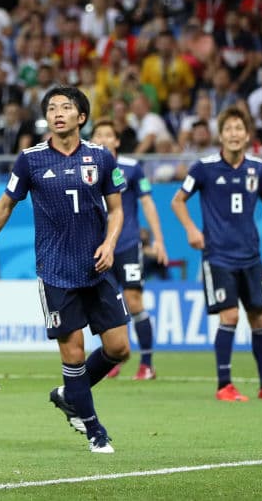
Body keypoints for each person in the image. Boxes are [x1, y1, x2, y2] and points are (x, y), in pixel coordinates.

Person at [0, 87, 129, 454]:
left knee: (119, 348)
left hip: (97, 268)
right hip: (55, 273)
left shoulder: (101, 158)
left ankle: (71, 395)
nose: (58, 113)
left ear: (81, 117)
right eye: (52, 108)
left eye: (66, 107)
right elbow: (4, 207)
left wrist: (110, 243)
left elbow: (116, 209)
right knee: (74, 354)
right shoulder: (30, 160)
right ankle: (94, 429)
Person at [171, 106, 262, 403]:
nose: (234, 134)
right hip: (218, 256)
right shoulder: (203, 168)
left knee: (259, 318)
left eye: (239, 129)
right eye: (228, 129)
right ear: (221, 135)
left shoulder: (258, 168)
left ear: (247, 135)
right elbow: (177, 201)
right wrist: (192, 230)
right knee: (229, 315)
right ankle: (224, 385)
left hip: (251, 256)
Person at [90, 120, 168, 380]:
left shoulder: (132, 168)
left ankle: (147, 364)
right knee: (108, 307)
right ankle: (113, 358)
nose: (103, 139)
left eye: (108, 134)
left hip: (126, 245)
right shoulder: (85, 168)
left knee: (134, 301)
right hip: (99, 249)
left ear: (117, 141)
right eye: (98, 134)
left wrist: (158, 240)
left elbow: (147, 203)